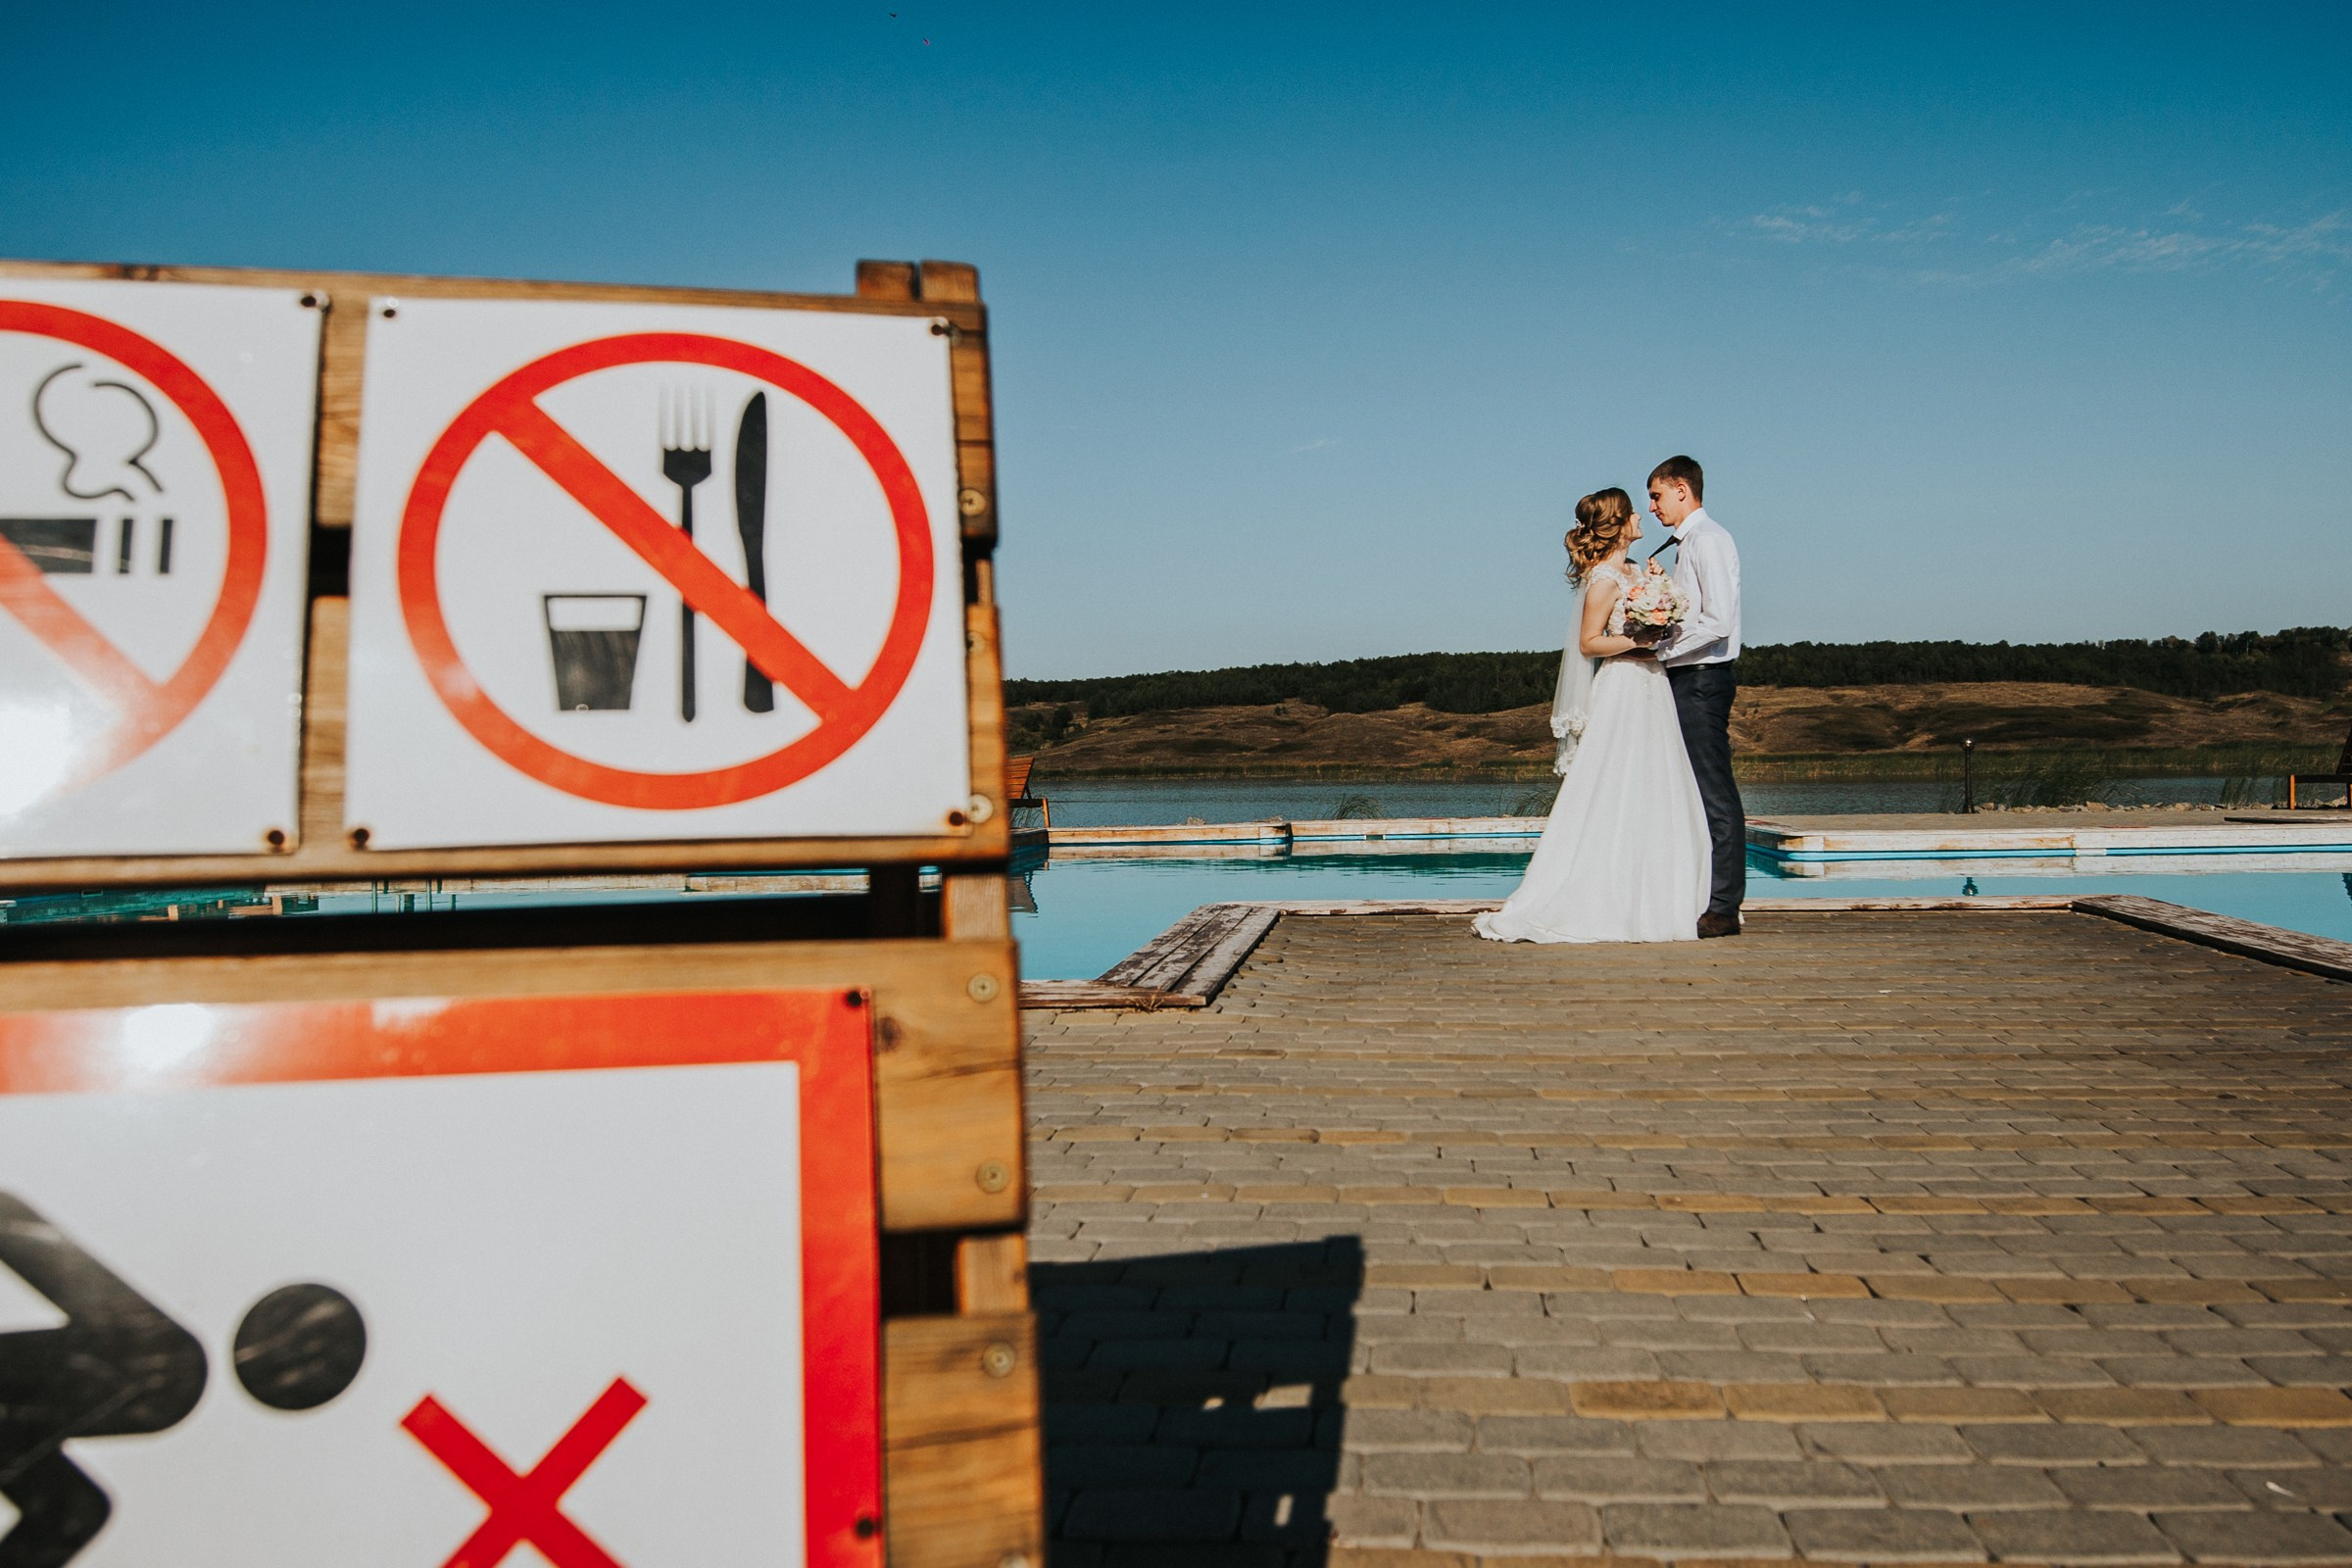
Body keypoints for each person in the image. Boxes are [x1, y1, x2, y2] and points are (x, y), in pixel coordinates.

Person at [1474, 488, 1710, 944]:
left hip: (1652, 687)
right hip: (1623, 686)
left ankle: (1661, 901)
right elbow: (1589, 643)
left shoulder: (1636, 571)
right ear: (1618, 523)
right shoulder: (1604, 579)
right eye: (1633, 511)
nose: (1643, 515)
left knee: (1656, 787)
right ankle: (1598, 898)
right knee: (1614, 785)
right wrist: (1640, 641)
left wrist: (1662, 607)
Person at [1645, 455, 1745, 937]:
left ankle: (1724, 907)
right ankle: (1696, 892)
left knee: (1714, 792)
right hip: (1687, 677)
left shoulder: (1708, 540)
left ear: (1681, 488)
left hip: (1704, 679)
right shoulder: (1685, 546)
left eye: (1657, 496)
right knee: (1688, 791)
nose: (1652, 507)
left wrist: (1660, 652)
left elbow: (1719, 621)